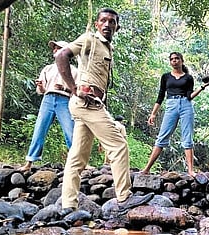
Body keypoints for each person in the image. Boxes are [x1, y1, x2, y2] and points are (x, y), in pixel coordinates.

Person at [56, 7, 152, 214]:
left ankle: (68, 205)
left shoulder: (108, 47)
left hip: (91, 105)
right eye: (104, 21)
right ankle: (124, 197)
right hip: (87, 104)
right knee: (118, 144)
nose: (108, 24)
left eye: (112, 21)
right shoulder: (89, 39)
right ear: (97, 24)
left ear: (117, 27)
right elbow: (62, 55)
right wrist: (73, 88)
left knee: (77, 157)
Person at [140, 52, 209, 176]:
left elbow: (190, 96)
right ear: (170, 62)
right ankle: (146, 169)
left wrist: (203, 87)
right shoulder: (166, 77)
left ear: (181, 61)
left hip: (185, 105)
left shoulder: (188, 78)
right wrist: (153, 114)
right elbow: (161, 96)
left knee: (187, 137)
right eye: (172, 59)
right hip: (171, 104)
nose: (174, 61)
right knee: (162, 137)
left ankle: (190, 170)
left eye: (177, 58)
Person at [18, 41, 78, 172]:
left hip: (64, 100)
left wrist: (65, 88)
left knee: (70, 131)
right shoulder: (47, 69)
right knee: (39, 128)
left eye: (59, 48)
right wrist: (40, 86)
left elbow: (77, 92)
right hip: (48, 99)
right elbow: (42, 91)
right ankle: (29, 162)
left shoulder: (74, 71)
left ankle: (79, 162)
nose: (55, 50)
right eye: (55, 48)